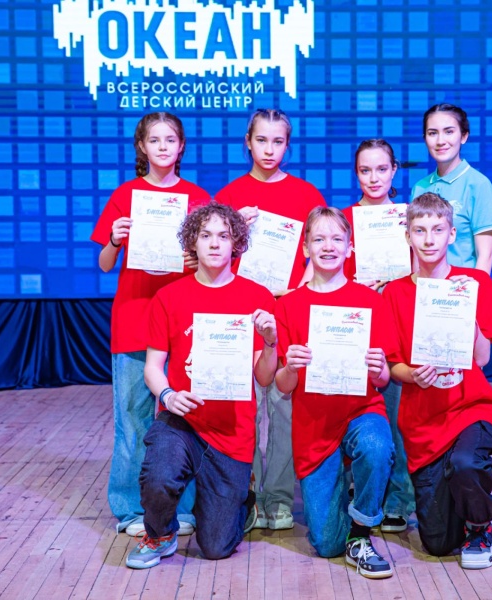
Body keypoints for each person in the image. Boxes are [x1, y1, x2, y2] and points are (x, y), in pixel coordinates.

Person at [126, 202, 277, 569]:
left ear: (236, 243)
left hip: (232, 430)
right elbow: (153, 368)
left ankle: (241, 499)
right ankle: (160, 535)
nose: (214, 243)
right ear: (192, 242)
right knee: (158, 476)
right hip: (182, 421)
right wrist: (167, 395)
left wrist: (271, 342)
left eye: (223, 236)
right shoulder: (169, 297)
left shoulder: (257, 297)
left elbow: (264, 377)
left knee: (216, 547)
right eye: (205, 235)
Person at [91, 112, 207, 537]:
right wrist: (114, 240)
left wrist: (197, 259)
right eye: (154, 139)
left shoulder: (196, 197)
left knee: (186, 419)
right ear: (141, 146)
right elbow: (105, 264)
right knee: (132, 420)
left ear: (181, 146)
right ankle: (129, 509)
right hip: (134, 320)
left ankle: (184, 508)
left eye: (170, 139)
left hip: (184, 323)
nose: (162, 146)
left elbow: (213, 264)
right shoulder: (126, 195)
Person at [383, 193, 492, 569]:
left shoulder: (475, 283)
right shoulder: (395, 292)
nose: (429, 239)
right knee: (437, 544)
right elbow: (393, 365)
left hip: (471, 408)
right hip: (424, 422)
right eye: (420, 230)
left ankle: (480, 526)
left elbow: (482, 358)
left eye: (438, 230)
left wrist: (465, 309)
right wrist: (412, 374)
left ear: (452, 234)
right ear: (408, 236)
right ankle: (457, 499)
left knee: (467, 462)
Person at [214, 108, 326, 530]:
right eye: (261, 140)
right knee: (244, 408)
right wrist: (233, 229)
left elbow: (319, 254)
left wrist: (301, 288)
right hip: (239, 313)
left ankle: (277, 499)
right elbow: (214, 258)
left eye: (278, 141)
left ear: (288, 145)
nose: (269, 149)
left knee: (282, 409)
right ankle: (244, 496)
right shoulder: (229, 195)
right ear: (248, 141)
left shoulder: (306, 194)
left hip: (288, 310)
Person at [275, 207, 395, 579]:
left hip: (361, 411)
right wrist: (291, 367)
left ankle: (361, 532)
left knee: (376, 446)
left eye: (337, 239)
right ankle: (343, 492)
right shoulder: (288, 305)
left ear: (350, 248)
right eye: (319, 239)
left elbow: (383, 380)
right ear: (305, 249)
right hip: (314, 427)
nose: (328, 246)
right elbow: (282, 385)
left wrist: (378, 368)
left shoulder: (371, 301)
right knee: (326, 544)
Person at [340, 139, 414, 534]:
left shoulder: (408, 220)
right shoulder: (344, 221)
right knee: (356, 416)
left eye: (381, 169)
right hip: (354, 332)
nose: (374, 178)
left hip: (398, 330)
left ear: (394, 170)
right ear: (356, 173)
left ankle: (399, 499)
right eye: (365, 170)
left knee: (399, 419)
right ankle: (357, 490)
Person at [411, 103, 492, 274]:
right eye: (432, 133)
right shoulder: (419, 188)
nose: (440, 141)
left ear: (464, 136)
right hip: (425, 287)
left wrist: (475, 287)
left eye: (449, 132)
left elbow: (486, 256)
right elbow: (417, 255)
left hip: (462, 287)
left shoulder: (478, 185)